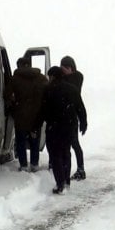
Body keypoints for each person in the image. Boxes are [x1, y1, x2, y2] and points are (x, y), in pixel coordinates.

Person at [38, 66, 87, 194]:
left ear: (53, 76)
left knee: (55, 155)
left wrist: (36, 125)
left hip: (54, 127)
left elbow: (42, 111)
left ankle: (60, 184)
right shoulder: (72, 89)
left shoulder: (48, 90)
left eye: (50, 76)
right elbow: (80, 107)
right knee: (66, 153)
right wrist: (83, 123)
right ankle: (66, 181)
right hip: (69, 126)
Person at [10, 57, 48, 172]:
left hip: (21, 116)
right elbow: (47, 93)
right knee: (34, 141)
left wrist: (13, 107)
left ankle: (23, 165)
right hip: (36, 117)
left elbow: (6, 94)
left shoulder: (15, 79)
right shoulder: (41, 78)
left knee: (21, 141)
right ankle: (34, 164)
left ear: (19, 66)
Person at [60, 56, 86, 180]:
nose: (62, 71)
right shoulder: (67, 80)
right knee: (67, 145)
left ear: (70, 68)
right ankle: (76, 169)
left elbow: (78, 103)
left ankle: (80, 169)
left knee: (74, 144)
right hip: (66, 117)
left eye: (64, 68)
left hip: (71, 117)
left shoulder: (75, 80)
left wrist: (83, 121)